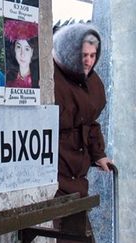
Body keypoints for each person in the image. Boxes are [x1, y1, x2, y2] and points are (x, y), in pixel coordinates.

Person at [53, 23, 113, 242]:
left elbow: (91, 122)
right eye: (83, 55)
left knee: (78, 233)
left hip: (78, 174)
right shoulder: (53, 77)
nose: (88, 61)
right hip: (57, 170)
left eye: (93, 55)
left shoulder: (91, 80)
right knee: (68, 231)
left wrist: (99, 154)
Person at [4, 19, 39, 88]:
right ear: (14, 49)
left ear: (32, 52)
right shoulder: (7, 77)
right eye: (19, 47)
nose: (22, 54)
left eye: (27, 49)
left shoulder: (39, 79)